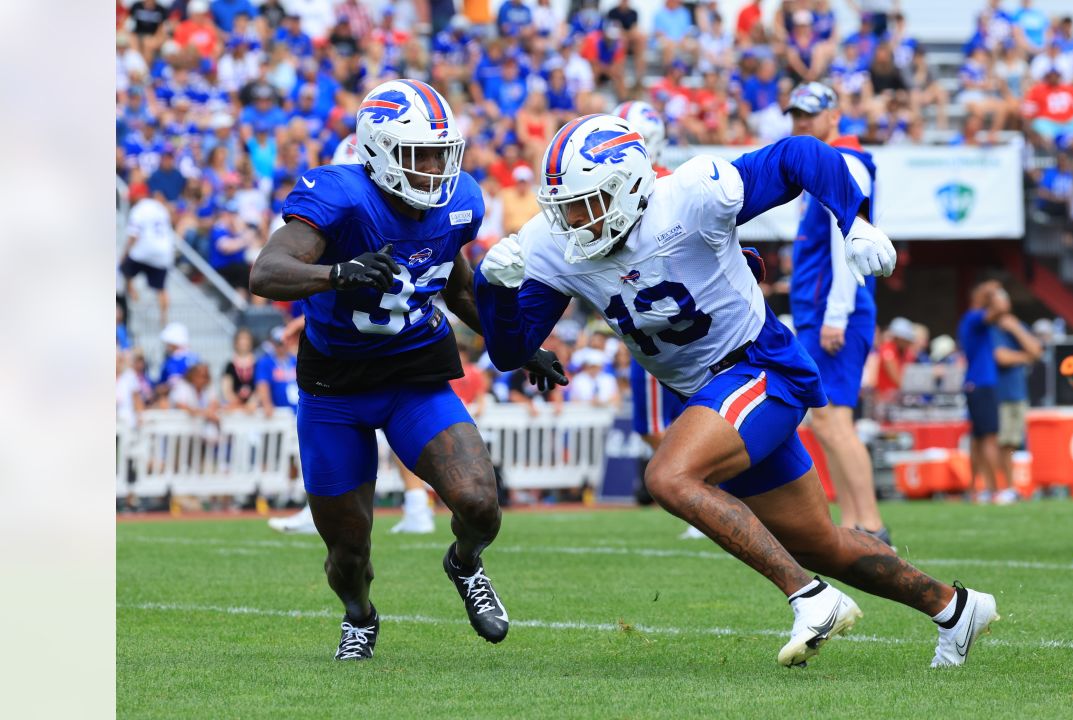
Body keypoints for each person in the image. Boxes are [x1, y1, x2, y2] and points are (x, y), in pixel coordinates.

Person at [474, 114, 998, 668]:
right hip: (711, 394)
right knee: (822, 542)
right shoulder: (555, 241)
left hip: (759, 366)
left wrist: (855, 221)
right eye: (564, 206)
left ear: (628, 188)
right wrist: (495, 292)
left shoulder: (692, 194)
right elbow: (511, 351)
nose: (572, 220)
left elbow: (799, 154)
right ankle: (956, 609)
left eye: (586, 204)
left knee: (668, 476)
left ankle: (810, 598)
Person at [248, 79, 567, 660]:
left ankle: (464, 564)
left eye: (441, 155)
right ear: (376, 151)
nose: (432, 170)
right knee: (349, 552)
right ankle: (360, 616)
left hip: (413, 376)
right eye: (418, 155)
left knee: (479, 503)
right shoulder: (341, 196)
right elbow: (266, 271)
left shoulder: (458, 202)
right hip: (335, 390)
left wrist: (516, 345)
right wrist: (336, 274)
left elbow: (459, 286)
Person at [785, 82, 891, 546]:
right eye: (795, 115)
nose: (800, 123)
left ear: (834, 116)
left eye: (809, 114)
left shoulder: (844, 163)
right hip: (826, 310)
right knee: (830, 418)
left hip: (834, 312)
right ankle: (856, 522)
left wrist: (836, 315)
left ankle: (869, 524)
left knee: (833, 419)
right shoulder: (829, 163)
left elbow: (850, 242)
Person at [611, 99, 700, 535]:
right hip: (654, 312)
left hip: (662, 315)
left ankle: (699, 491)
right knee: (663, 421)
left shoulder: (663, 187)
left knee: (665, 421)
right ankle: (700, 489)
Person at [989, 288, 1043, 506]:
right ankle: (999, 488)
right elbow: (1000, 357)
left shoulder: (1015, 326)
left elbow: (1037, 351)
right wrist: (1025, 356)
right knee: (1000, 442)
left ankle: (1009, 488)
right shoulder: (990, 329)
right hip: (999, 392)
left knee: (1012, 443)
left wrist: (1016, 329)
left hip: (1018, 392)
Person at [958, 281, 1005, 503]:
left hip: (974, 384)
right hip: (982, 384)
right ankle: (994, 490)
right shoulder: (974, 317)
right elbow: (1002, 309)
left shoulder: (969, 320)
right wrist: (994, 292)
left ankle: (975, 489)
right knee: (989, 438)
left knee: (978, 439)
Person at [120, 189, 176, 327]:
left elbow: (134, 235)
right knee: (161, 288)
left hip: (144, 250)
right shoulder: (160, 207)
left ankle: (132, 293)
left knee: (124, 269)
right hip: (163, 252)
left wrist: (124, 253)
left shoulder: (138, 209)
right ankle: (164, 318)